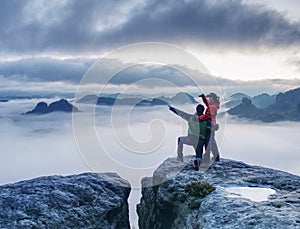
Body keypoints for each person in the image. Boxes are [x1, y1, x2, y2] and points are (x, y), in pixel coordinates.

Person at [169, 104, 209, 171]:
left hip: (191, 139)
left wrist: (172, 109)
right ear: (203, 111)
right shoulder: (206, 120)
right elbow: (212, 127)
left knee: (180, 139)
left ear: (196, 110)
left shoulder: (191, 117)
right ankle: (197, 161)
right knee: (199, 155)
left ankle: (180, 157)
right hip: (200, 140)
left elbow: (181, 114)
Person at [197, 93, 220, 162]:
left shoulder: (213, 107)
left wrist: (198, 118)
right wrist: (203, 97)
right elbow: (207, 103)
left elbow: (207, 116)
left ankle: (214, 157)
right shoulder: (212, 106)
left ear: (213, 99)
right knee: (211, 141)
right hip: (211, 125)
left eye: (210, 98)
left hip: (210, 125)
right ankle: (216, 157)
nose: (209, 99)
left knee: (210, 141)